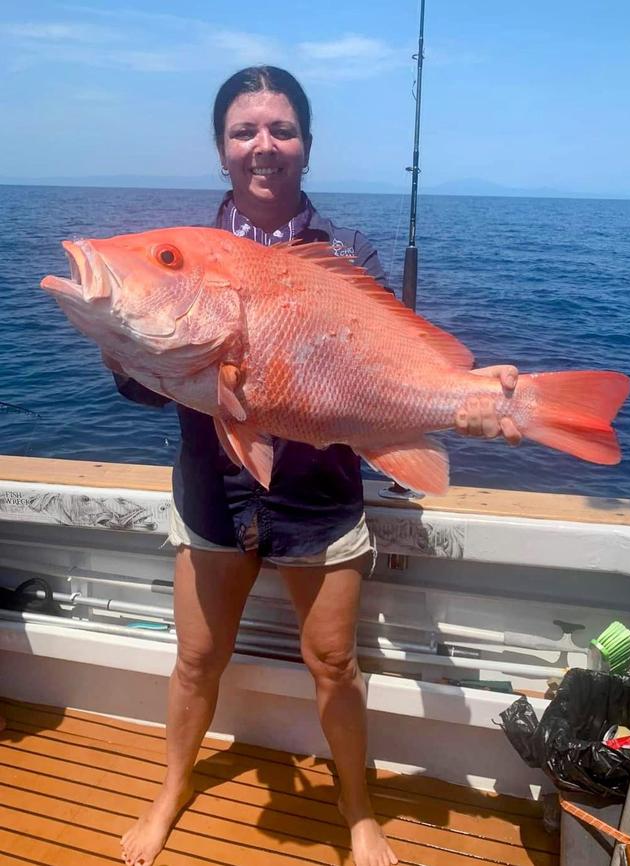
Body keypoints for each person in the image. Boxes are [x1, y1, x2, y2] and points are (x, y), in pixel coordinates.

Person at [118, 66, 522, 866]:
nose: (263, 146)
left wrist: (459, 400)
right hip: (213, 493)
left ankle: (359, 812)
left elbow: (382, 369)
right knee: (197, 658)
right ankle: (169, 791)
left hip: (322, 498)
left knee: (334, 663)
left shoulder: (349, 253)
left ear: (305, 145)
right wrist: (133, 348)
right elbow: (145, 391)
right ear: (221, 150)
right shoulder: (187, 256)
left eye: (281, 129)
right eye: (244, 131)